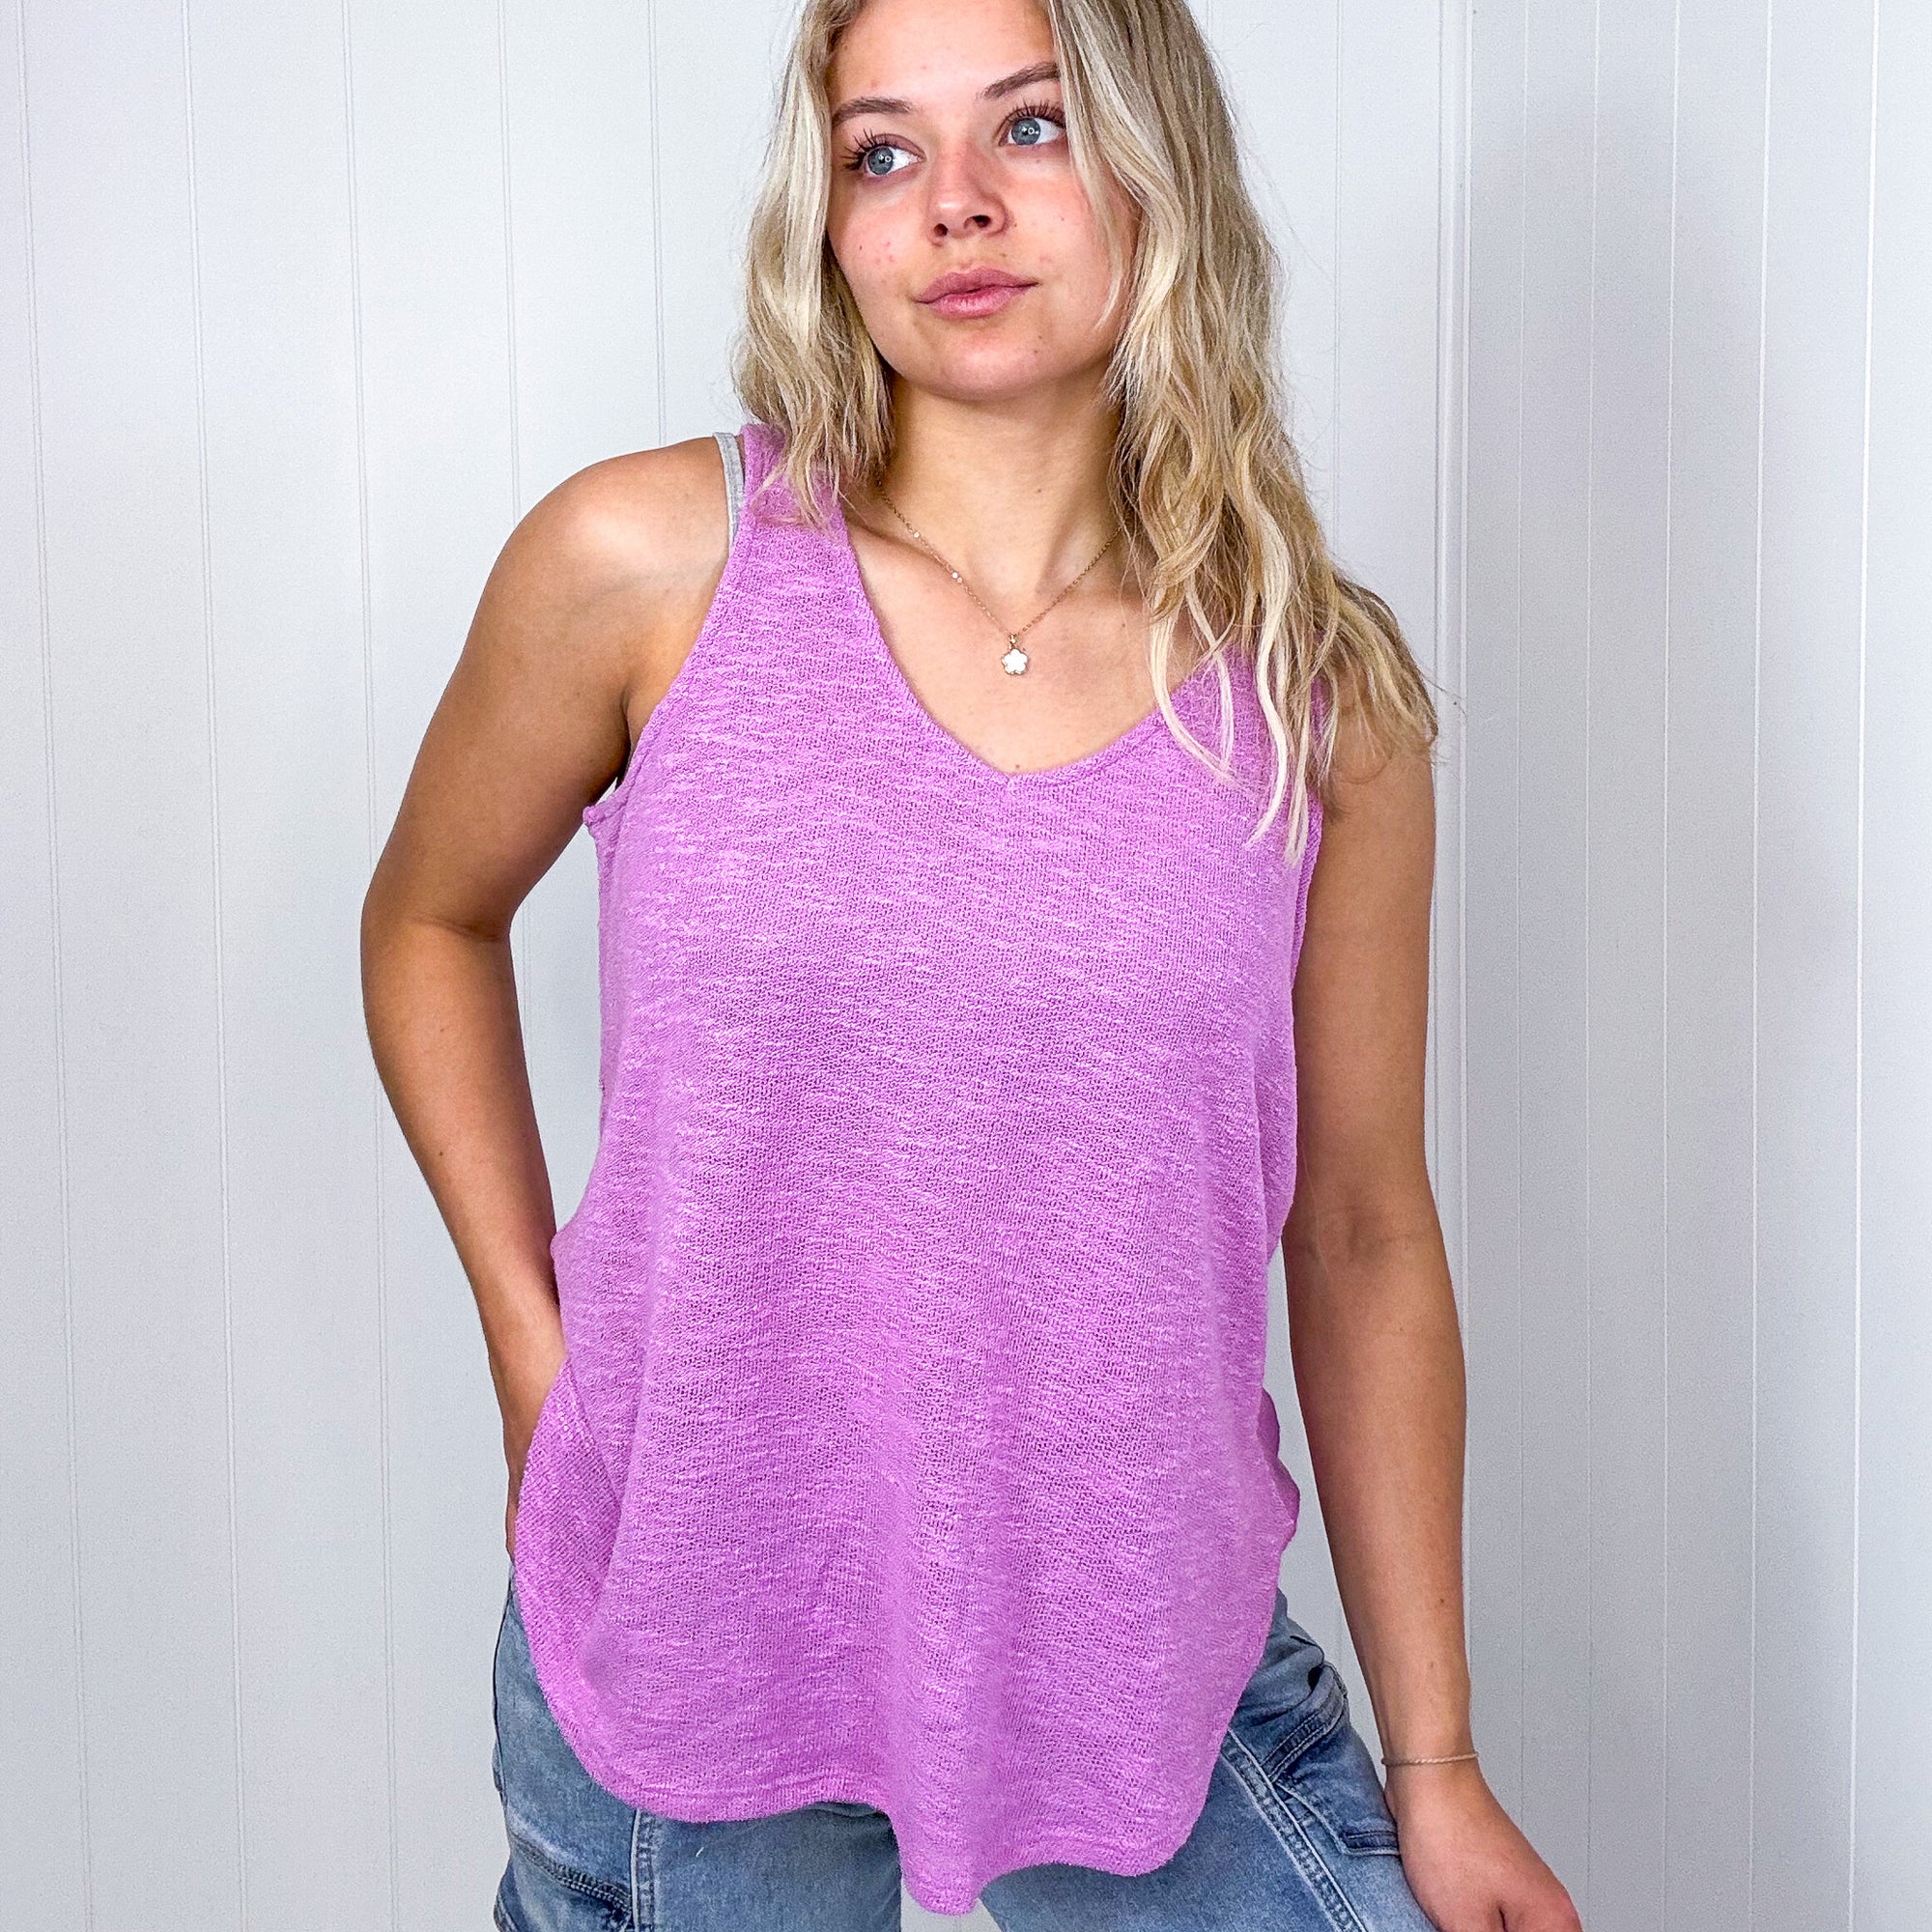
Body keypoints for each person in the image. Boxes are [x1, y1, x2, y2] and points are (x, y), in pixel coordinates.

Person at [360, 0, 1582, 1926]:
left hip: (1141, 1647)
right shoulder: (649, 567)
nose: (955, 205)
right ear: (829, 222)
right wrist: (539, 1355)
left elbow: (1357, 1230)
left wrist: (1436, 1765)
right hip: (694, 1629)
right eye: (883, 151)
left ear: (1156, 167)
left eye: (1030, 126)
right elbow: (427, 922)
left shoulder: (1314, 696)